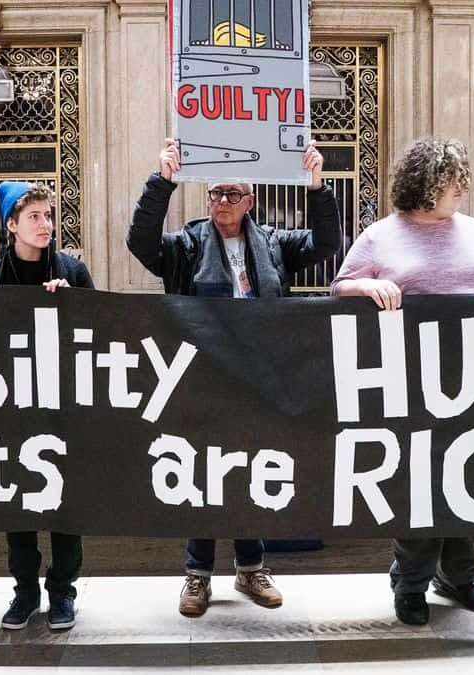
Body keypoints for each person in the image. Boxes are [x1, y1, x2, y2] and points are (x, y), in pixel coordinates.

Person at [330, 136, 474, 626]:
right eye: (453, 181)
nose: (461, 189)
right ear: (427, 184)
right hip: (410, 383)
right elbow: (339, 288)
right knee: (419, 483)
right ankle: (411, 581)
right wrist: (366, 284)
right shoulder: (380, 236)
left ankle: (462, 576)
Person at [127, 138, 340, 616]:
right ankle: (197, 575)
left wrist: (317, 187)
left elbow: (327, 245)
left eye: (233, 194)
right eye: (216, 193)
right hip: (202, 379)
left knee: (251, 470)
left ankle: (250, 569)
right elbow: (140, 243)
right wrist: (161, 182)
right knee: (202, 472)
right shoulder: (186, 245)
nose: (222, 200)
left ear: (250, 201)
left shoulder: (274, 245)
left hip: (258, 379)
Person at [0, 181, 93, 631]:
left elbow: (100, 335)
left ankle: (62, 593)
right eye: (34, 217)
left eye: (49, 215)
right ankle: (25, 592)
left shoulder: (72, 271)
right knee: (16, 506)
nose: (45, 225)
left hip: (64, 412)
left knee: (66, 506)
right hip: (12, 411)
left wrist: (71, 305)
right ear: (11, 225)